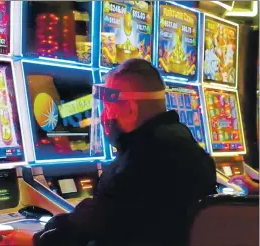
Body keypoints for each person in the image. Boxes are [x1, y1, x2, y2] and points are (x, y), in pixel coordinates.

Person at [32, 59, 217, 246]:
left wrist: (36, 240)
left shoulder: (142, 162)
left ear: (130, 109)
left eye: (108, 107)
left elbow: (94, 222)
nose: (104, 116)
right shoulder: (187, 147)